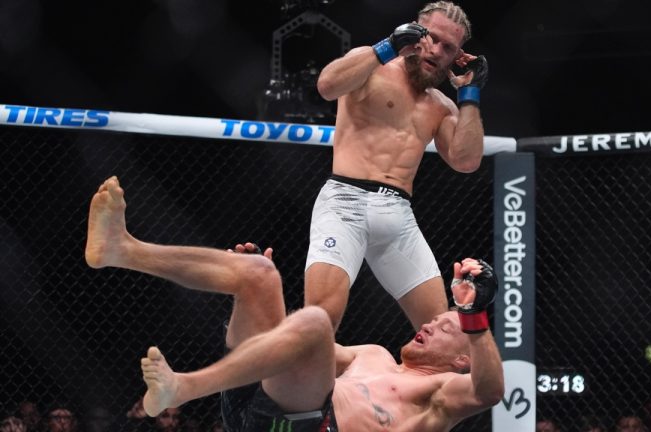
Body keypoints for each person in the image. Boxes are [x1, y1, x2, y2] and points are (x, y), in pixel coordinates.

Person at [85, 176, 504, 431]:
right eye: (439, 321)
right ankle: (122, 249)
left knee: (318, 323)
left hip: (298, 428)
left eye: (446, 329)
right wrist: (253, 303)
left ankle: (184, 387)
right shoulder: (374, 355)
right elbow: (295, 349)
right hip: (263, 405)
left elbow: (489, 391)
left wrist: (472, 316)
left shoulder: (440, 395)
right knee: (259, 276)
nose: (430, 324)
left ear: (462, 360)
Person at [309, 1, 489, 331]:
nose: (436, 50)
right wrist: (388, 46)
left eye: (449, 47)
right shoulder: (371, 65)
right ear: (415, 32)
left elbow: (466, 161)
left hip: (397, 215)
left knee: (441, 330)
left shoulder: (443, 106)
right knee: (318, 322)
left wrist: (471, 94)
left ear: (458, 57)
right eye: (432, 38)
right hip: (345, 203)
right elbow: (327, 85)